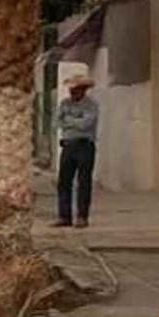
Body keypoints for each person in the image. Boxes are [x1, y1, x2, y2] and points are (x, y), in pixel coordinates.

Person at [54, 74, 99, 228]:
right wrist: (73, 122)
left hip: (84, 145)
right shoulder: (65, 103)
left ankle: (82, 216)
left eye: (76, 90)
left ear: (83, 90)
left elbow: (86, 124)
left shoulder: (91, 105)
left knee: (84, 182)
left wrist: (69, 121)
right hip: (68, 145)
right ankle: (64, 216)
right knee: (64, 182)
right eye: (71, 90)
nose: (73, 93)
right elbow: (57, 121)